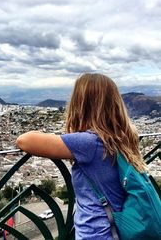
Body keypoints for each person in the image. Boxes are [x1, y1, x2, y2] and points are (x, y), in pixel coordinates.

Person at [16, 73, 146, 240]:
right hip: (123, 229)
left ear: (81, 104)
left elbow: (24, 140)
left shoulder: (88, 143)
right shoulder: (124, 137)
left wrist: (63, 135)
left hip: (96, 233)